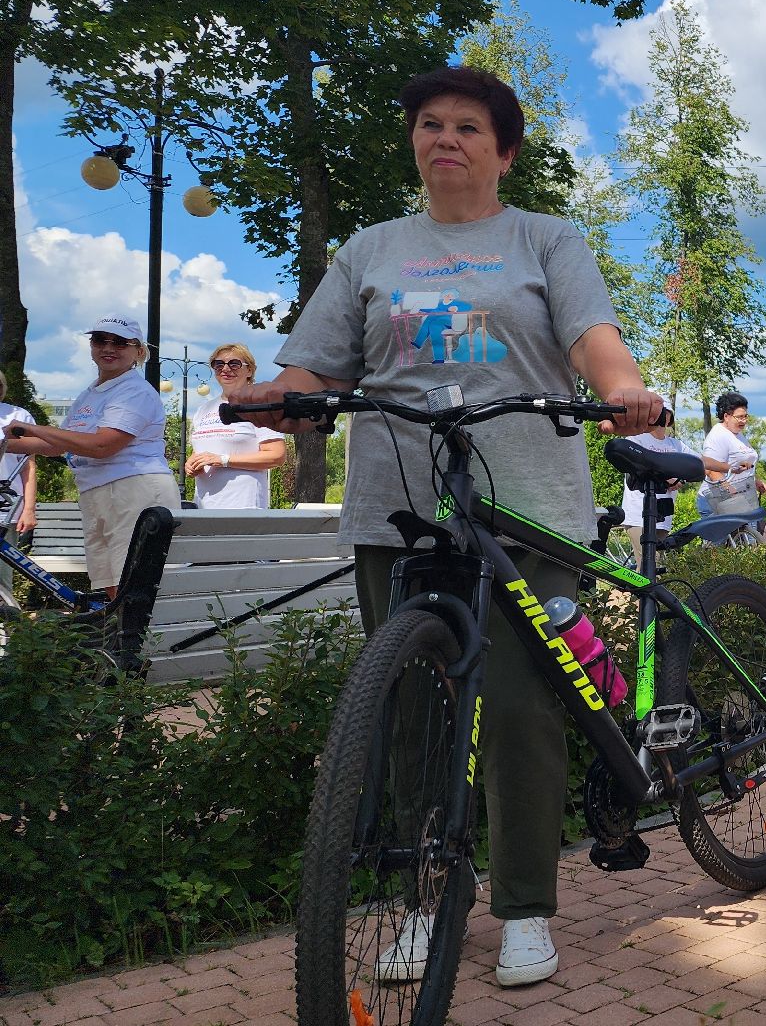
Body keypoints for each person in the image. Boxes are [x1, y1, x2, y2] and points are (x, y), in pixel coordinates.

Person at [228, 65, 661, 989]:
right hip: (400, 509)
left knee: (516, 707)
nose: (447, 139)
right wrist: (281, 401)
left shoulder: (545, 238)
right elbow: (312, 366)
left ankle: (524, 908)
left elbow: (593, 339)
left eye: (469, 126)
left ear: (503, 151)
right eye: (430, 124)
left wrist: (621, 390)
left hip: (525, 506)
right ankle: (425, 900)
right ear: (414, 142)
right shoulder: (373, 249)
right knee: (411, 715)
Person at [4, 317, 179, 598]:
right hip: (97, 490)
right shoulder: (91, 393)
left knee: (136, 581)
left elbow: (101, 447)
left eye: (120, 342)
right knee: (109, 579)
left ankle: (145, 641)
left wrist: (34, 428)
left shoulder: (134, 390)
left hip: (134, 489)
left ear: (139, 352)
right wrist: (6, 443)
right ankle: (122, 639)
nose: (108, 348)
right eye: (100, 340)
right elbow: (57, 445)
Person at [185, 344, 287, 509]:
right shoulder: (203, 410)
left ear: (249, 371)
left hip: (243, 505)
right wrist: (192, 464)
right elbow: (203, 451)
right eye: (219, 364)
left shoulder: (258, 406)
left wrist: (224, 460)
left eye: (234, 364)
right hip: (205, 505)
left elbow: (277, 455)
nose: (225, 369)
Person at [618, 408, 725, 545]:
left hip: (663, 516)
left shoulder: (676, 445)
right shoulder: (636, 439)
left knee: (659, 562)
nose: (662, 416)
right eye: (658, 411)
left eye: (666, 412)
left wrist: (728, 467)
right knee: (649, 561)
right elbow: (638, 465)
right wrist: (667, 478)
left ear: (670, 417)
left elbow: (700, 461)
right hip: (639, 515)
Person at [698, 392, 766, 521]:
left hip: (742, 498)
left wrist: (755, 482)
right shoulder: (718, 435)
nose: (744, 421)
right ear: (726, 416)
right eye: (740, 417)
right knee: (725, 540)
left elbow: (743, 466)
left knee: (749, 539)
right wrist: (730, 491)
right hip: (720, 499)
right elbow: (710, 470)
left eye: (746, 416)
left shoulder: (738, 435)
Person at [0, 376, 38, 544]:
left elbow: (28, 467)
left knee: (3, 570)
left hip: (6, 508)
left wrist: (29, 509)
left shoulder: (18, 416)